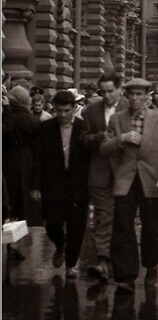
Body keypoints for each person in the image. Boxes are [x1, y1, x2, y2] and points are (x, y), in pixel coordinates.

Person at [100, 78, 158, 294]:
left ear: (147, 96)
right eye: (131, 94)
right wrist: (121, 139)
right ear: (126, 96)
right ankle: (126, 276)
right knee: (123, 227)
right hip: (125, 182)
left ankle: (151, 266)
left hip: (152, 182)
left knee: (152, 228)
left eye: (139, 94)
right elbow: (104, 148)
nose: (135, 98)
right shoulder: (117, 120)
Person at [31, 90, 91, 279]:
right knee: (52, 222)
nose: (63, 115)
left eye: (67, 110)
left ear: (74, 108)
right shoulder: (45, 128)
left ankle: (71, 265)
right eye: (59, 111)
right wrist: (35, 186)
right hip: (53, 183)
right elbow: (37, 159)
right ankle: (60, 245)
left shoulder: (84, 128)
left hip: (78, 185)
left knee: (77, 226)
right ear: (54, 109)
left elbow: (90, 158)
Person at [81, 72, 129, 282]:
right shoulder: (91, 110)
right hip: (99, 172)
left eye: (111, 91)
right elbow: (83, 140)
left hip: (125, 173)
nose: (107, 96)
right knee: (103, 215)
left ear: (120, 89)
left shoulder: (131, 107)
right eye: (103, 92)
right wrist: (99, 137)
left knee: (121, 219)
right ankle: (102, 261)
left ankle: (116, 262)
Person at [2, 85, 40, 260]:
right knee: (22, 205)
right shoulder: (32, 120)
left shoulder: (6, 116)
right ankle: (14, 243)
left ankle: (10, 243)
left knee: (9, 203)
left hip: (7, 162)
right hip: (28, 163)